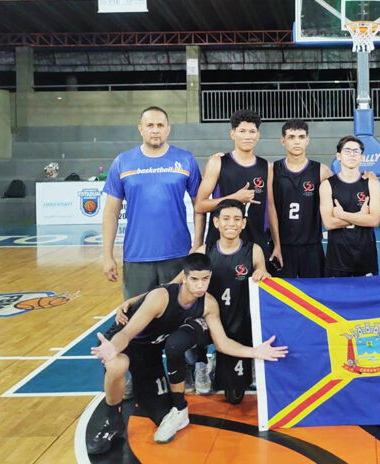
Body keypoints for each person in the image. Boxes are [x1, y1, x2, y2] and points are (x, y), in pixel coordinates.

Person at [87, 253, 287, 454]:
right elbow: (127, 333)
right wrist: (112, 347)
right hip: (122, 343)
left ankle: (140, 388)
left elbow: (223, 343)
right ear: (184, 277)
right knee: (117, 365)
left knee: (163, 415)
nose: (200, 285)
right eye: (194, 279)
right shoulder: (161, 298)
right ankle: (112, 419)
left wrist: (256, 352)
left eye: (205, 279)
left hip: (150, 353)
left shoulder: (208, 304)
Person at [115, 199, 271, 400]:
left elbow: (262, 270)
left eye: (236, 219)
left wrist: (261, 272)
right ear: (216, 223)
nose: (231, 223)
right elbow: (172, 285)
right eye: (226, 219)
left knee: (234, 398)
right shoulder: (203, 252)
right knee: (177, 342)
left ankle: (238, 362)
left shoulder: (253, 250)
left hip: (237, 321)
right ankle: (200, 365)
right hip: (205, 320)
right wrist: (135, 300)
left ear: (244, 223)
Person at [102, 106, 204, 300]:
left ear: (168, 129)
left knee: (177, 316)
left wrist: (198, 242)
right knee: (138, 318)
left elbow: (199, 206)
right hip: (137, 256)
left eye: (160, 125)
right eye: (150, 125)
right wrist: (107, 255)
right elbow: (110, 213)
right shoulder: (122, 162)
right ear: (140, 129)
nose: (155, 129)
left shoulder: (185, 159)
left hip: (178, 255)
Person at [195, 109, 276, 270]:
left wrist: (277, 245)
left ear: (258, 135)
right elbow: (199, 205)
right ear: (233, 134)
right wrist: (235, 198)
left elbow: (271, 207)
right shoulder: (217, 163)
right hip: (221, 242)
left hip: (256, 242)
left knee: (253, 292)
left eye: (252, 131)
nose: (247, 136)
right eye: (242, 131)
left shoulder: (266, 166)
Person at [271, 119, 332, 278]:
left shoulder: (321, 171)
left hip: (311, 246)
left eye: (301, 137)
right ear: (283, 141)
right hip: (282, 246)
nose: (296, 141)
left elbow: (344, 187)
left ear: (307, 140)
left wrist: (366, 177)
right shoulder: (272, 169)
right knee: (282, 297)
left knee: (314, 296)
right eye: (291, 137)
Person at [319, 136, 380, 277]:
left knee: (367, 299)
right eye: (347, 151)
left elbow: (374, 220)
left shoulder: (372, 183)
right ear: (339, 156)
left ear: (361, 157)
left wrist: (343, 215)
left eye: (356, 151)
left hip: (366, 259)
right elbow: (329, 223)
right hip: (337, 260)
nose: (352, 154)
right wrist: (361, 216)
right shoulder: (327, 185)